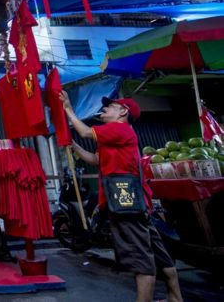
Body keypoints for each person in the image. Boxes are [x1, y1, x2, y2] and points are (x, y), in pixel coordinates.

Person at [59, 92, 183, 302]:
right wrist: (74, 146)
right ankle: (176, 298)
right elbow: (96, 159)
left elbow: (86, 132)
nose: (105, 108)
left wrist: (68, 109)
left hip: (126, 204)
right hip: (137, 203)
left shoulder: (119, 129)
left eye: (111, 106)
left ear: (123, 112)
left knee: (140, 259)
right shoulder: (113, 135)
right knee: (159, 254)